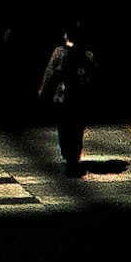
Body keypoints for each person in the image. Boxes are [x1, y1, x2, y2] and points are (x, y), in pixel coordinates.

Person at [36, 25, 96, 182]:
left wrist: (43, 90)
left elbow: (50, 73)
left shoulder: (59, 52)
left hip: (63, 97)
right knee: (77, 128)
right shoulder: (88, 55)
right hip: (80, 99)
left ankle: (68, 153)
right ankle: (73, 156)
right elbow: (92, 77)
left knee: (64, 127)